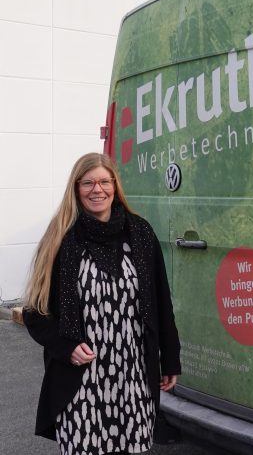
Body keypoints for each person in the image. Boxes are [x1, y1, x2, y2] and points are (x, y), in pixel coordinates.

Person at [22, 152, 181, 455]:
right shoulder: (60, 239)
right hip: (82, 379)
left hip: (133, 375)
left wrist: (170, 358)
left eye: (104, 181)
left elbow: (162, 301)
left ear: (115, 186)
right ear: (76, 188)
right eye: (88, 183)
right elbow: (34, 312)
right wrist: (64, 346)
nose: (98, 189)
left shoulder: (141, 233)